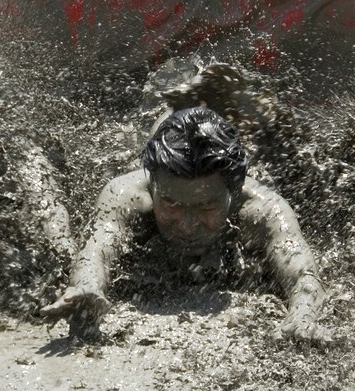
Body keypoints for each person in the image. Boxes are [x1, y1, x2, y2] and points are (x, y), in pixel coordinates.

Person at [40, 106, 331, 342]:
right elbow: (98, 249)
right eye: (171, 205)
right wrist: (87, 287)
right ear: (152, 184)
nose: (188, 226)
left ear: (234, 191)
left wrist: (302, 316)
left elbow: (302, 271)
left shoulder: (264, 207)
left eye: (207, 206)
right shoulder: (125, 194)